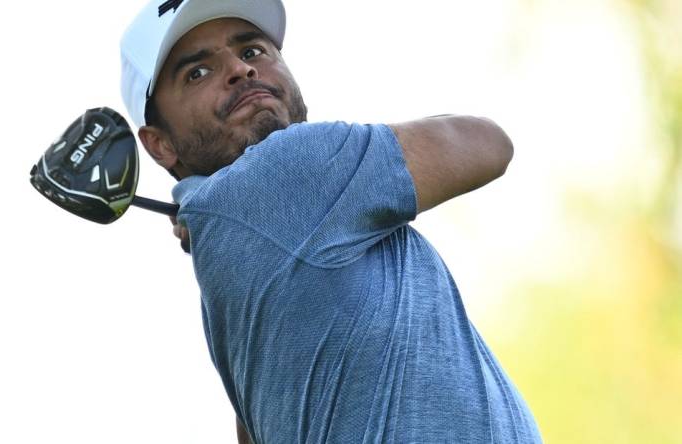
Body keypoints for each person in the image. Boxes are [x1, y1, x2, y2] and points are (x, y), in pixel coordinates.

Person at [120, 1, 543, 442]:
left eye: (252, 52)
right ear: (160, 145)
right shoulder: (295, 166)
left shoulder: (221, 257)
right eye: (197, 73)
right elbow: (487, 143)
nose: (240, 71)